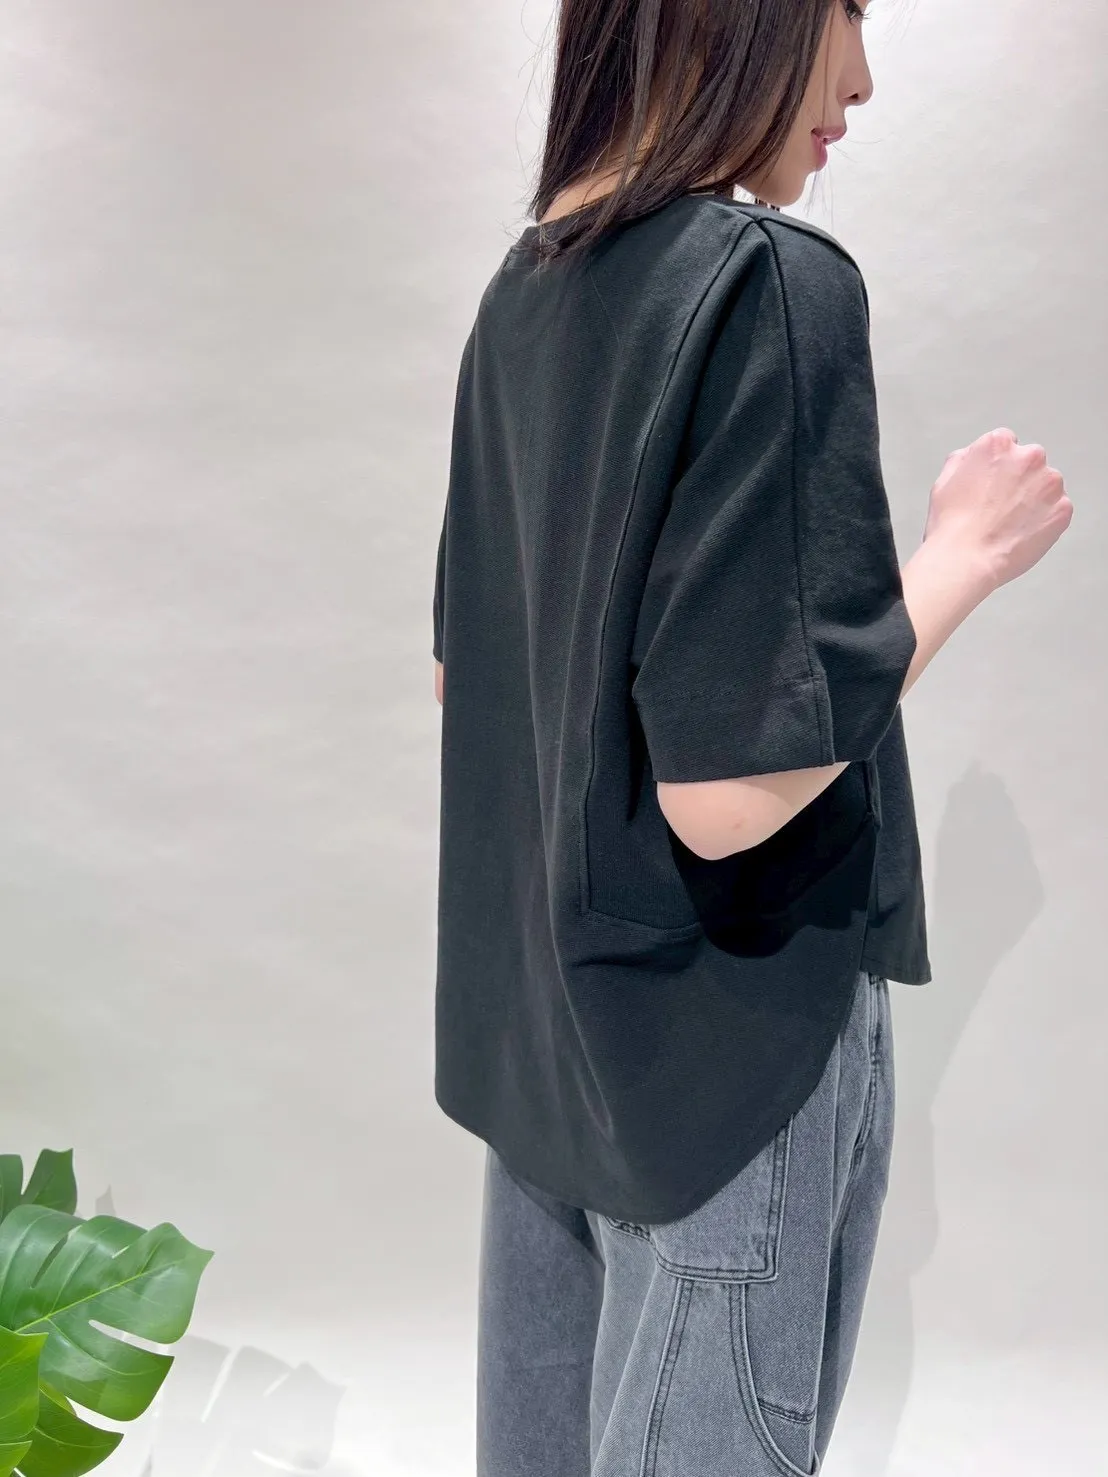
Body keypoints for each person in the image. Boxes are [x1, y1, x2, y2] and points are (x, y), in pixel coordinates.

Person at [429, 0, 1073, 1472]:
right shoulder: (766, 281)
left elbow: (482, 689)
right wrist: (960, 558)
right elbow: (732, 795)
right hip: (724, 1061)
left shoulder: (524, 291)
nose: (863, 76)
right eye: (850, 10)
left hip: (550, 1053)